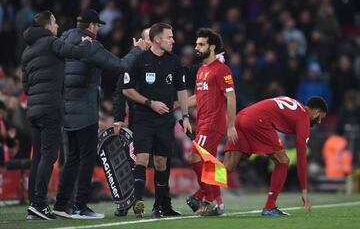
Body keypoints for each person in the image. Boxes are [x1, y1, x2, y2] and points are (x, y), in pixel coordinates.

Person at [52, 9, 145, 219]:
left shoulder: (63, 41)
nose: (99, 29)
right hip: (85, 112)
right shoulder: (91, 45)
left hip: (66, 110)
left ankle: (61, 204)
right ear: (91, 26)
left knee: (71, 159)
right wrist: (137, 49)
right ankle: (79, 206)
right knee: (85, 160)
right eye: (98, 26)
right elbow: (121, 66)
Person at [21, 10, 92, 220]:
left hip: (34, 108)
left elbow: (25, 86)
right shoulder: (51, 42)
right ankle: (40, 204)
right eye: (54, 22)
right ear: (46, 26)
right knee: (49, 155)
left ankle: (33, 204)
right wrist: (87, 42)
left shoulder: (27, 50)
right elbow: (76, 53)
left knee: (38, 158)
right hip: (51, 107)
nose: (57, 26)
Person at [122, 23, 192, 218]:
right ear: (157, 39)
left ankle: (160, 206)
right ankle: (138, 202)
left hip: (165, 121)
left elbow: (181, 91)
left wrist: (185, 117)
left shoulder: (175, 62)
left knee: (161, 162)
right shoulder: (140, 60)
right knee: (143, 158)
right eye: (169, 37)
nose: (173, 40)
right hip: (143, 118)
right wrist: (150, 103)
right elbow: (126, 89)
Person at [223, 96, 327, 216]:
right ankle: (270, 207)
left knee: (227, 167)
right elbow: (301, 158)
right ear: (316, 112)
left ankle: (202, 196)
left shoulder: (294, 104)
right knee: (283, 161)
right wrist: (304, 190)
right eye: (320, 118)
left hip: (241, 116)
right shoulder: (303, 119)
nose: (318, 122)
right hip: (257, 122)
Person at [185, 28, 237, 216]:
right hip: (202, 124)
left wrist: (231, 125)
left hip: (213, 124)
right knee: (210, 165)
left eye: (201, 44)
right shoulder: (201, 70)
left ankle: (207, 197)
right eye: (196, 44)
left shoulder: (221, 69)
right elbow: (198, 97)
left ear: (212, 47)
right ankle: (218, 203)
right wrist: (177, 104)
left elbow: (231, 97)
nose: (196, 47)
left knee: (194, 158)